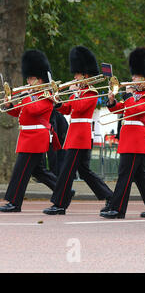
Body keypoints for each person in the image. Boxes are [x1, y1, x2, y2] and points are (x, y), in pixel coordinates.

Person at [43, 46, 114, 215]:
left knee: (67, 170)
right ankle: (110, 196)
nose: (74, 77)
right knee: (84, 171)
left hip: (81, 136)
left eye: (77, 75)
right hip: (75, 134)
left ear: (85, 75)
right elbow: (68, 109)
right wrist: (58, 102)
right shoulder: (80, 92)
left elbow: (80, 107)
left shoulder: (91, 92)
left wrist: (74, 93)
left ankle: (60, 203)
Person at [100, 47, 145, 219]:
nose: (133, 79)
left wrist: (128, 96)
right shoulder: (133, 95)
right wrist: (112, 100)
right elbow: (119, 110)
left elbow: (138, 111)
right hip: (128, 137)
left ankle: (117, 208)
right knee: (139, 176)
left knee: (125, 174)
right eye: (133, 75)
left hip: (136, 139)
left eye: (136, 76)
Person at [0, 50, 59, 212]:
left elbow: (33, 110)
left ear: (40, 80)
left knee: (20, 171)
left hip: (35, 138)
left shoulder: (46, 97)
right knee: (39, 172)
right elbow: (19, 112)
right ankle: (64, 191)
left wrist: (25, 95)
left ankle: (14, 202)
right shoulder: (32, 96)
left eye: (31, 78)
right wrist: (8, 104)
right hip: (27, 137)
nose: (28, 81)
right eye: (28, 78)